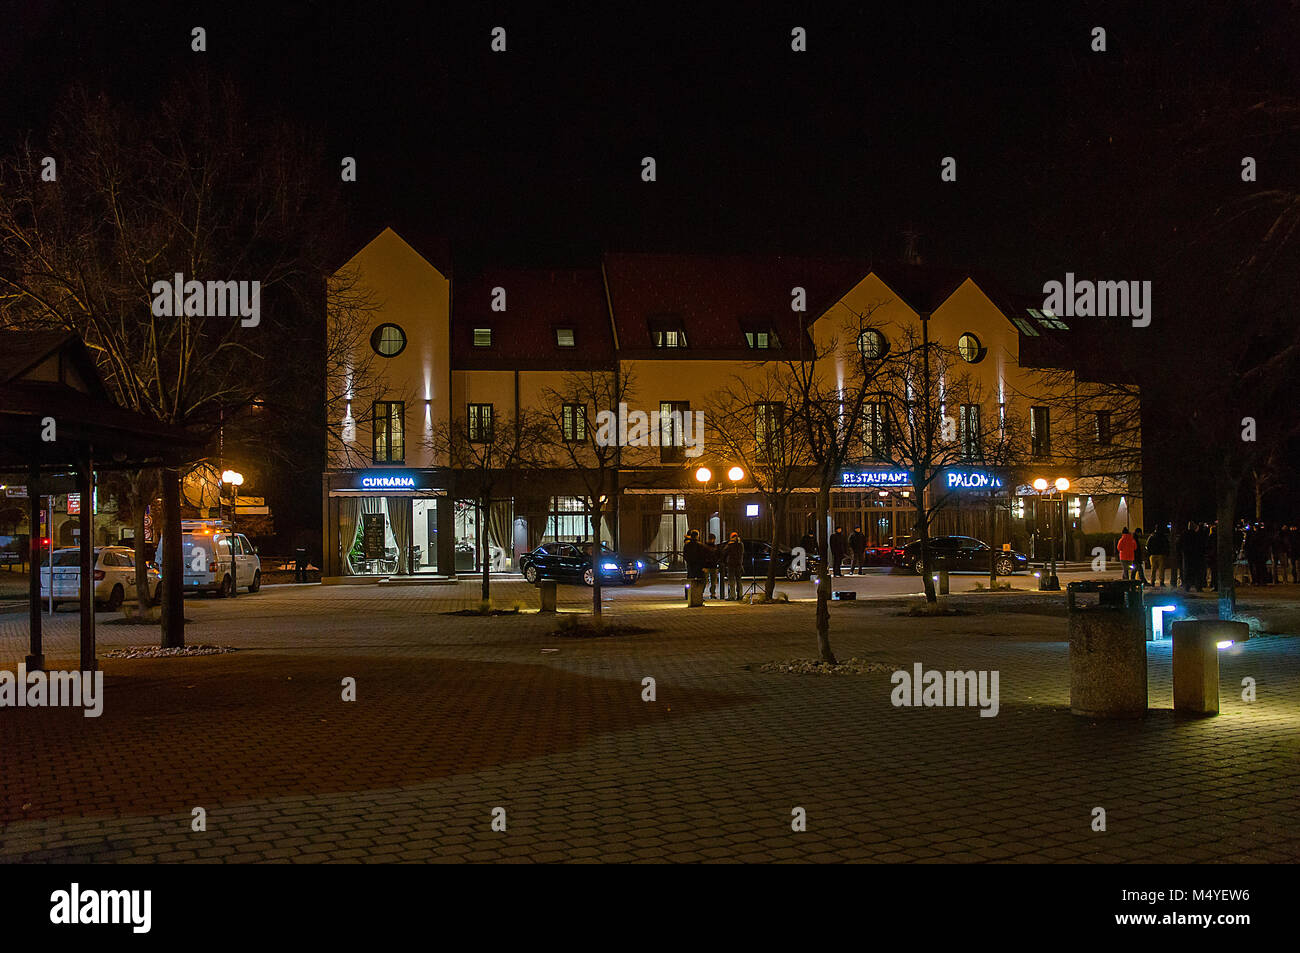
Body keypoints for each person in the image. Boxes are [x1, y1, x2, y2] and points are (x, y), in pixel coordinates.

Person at [723, 531, 745, 600]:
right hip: (738, 564)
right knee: (738, 580)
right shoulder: (741, 544)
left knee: (732, 581)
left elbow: (724, 552)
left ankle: (732, 596)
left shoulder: (731, 545)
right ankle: (740, 595)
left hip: (731, 564)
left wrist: (729, 544)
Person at [703, 533, 721, 598]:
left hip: (711, 565)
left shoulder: (704, 546)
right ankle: (710, 593)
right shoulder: (714, 547)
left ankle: (712, 593)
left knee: (712, 581)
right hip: (709, 565)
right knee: (707, 581)